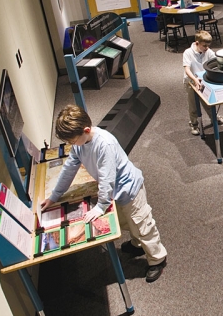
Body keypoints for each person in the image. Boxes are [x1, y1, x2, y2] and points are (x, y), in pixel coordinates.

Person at [41, 105, 168, 282]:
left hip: (129, 189)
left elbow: (107, 177)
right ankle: (138, 244)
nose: (72, 145)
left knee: (142, 224)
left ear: (86, 130)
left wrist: (101, 206)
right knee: (126, 221)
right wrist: (55, 196)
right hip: (114, 191)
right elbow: (69, 168)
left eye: (73, 141)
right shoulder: (80, 144)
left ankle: (157, 258)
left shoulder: (104, 144)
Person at [183, 30, 223, 135]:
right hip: (191, 82)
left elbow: (216, 60)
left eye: (208, 45)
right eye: (204, 46)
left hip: (203, 80)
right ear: (197, 43)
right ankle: (194, 124)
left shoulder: (207, 51)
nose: (207, 48)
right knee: (193, 105)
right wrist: (194, 80)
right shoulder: (188, 53)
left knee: (209, 102)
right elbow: (187, 69)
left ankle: (214, 118)